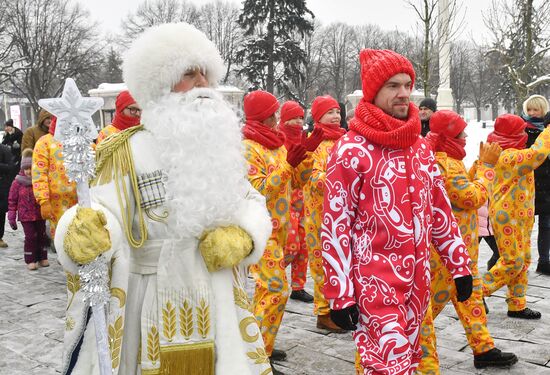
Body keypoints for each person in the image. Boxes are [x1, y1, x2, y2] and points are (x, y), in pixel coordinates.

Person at [54, 22, 273, 375]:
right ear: (159, 84)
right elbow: (101, 213)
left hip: (214, 290)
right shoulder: (126, 151)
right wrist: (81, 232)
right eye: (189, 73)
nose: (202, 83)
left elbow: (251, 199)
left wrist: (245, 234)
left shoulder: (220, 148)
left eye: (206, 73)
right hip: (149, 295)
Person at [321, 49, 473, 374]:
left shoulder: (419, 148)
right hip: (374, 285)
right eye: (393, 86)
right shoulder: (351, 150)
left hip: (418, 285)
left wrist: (459, 265)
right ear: (374, 92)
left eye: (407, 84)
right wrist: (340, 292)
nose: (404, 93)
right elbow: (336, 226)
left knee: (408, 364)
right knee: (388, 367)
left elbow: (440, 211)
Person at [418, 110, 517, 372]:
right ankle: (421, 359)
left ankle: (483, 347)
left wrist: (477, 166)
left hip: (460, 253)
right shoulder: (445, 163)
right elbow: (471, 197)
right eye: (460, 132)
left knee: (471, 301)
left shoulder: (446, 158)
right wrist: (486, 167)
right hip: (447, 257)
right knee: (425, 310)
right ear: (449, 135)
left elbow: (462, 187)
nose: (465, 136)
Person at [242, 90, 315, 374]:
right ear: (263, 115)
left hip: (281, 228)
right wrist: (287, 166)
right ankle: (256, 358)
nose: (277, 117)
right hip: (260, 230)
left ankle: (261, 347)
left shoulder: (276, 144)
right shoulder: (249, 147)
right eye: (274, 112)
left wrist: (304, 155)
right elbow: (258, 188)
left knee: (266, 293)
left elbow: (296, 180)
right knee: (275, 290)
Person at [482, 114, 550, 319]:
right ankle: (475, 293)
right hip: (507, 216)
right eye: (520, 131)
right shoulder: (508, 155)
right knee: (513, 260)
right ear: (510, 134)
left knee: (524, 259)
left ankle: (517, 304)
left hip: (521, 214)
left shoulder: (511, 152)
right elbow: (538, 153)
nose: (524, 134)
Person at [303, 95, 346, 333]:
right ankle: (323, 312)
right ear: (318, 117)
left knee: (341, 264)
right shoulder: (314, 143)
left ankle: (340, 308)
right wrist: (337, 178)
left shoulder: (343, 140)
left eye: (337, 111)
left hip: (342, 216)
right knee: (321, 265)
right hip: (319, 217)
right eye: (330, 112)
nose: (336, 116)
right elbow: (312, 178)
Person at [279, 100, 314, 304]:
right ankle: (277, 274)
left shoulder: (304, 138)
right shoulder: (278, 139)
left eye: (301, 117)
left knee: (304, 245)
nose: (298, 121)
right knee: (291, 244)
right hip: (284, 200)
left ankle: (298, 286)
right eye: (294, 117)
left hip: (303, 198)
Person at [32, 117, 78, 238]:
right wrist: (44, 201)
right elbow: (39, 173)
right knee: (62, 240)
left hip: (82, 200)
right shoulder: (44, 142)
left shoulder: (81, 140)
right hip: (57, 204)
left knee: (82, 242)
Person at [521, 95, 550, 275]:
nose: (532, 113)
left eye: (536, 110)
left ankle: (544, 261)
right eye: (529, 110)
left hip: (546, 183)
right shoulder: (522, 129)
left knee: (546, 225)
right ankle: (521, 261)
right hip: (528, 183)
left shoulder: (546, 130)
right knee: (525, 225)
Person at [8, 149, 48, 270]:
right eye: (26, 169)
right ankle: (31, 259)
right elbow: (12, 200)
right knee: (30, 237)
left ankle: (42, 257)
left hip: (39, 214)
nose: (29, 171)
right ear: (22, 169)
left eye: (31, 168)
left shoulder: (40, 181)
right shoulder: (17, 183)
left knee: (42, 235)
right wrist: (11, 217)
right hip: (26, 216)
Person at [0, 143, 14, 248]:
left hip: (2, 186)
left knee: (0, 213)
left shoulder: (5, 149)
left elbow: (10, 167)